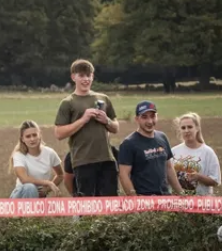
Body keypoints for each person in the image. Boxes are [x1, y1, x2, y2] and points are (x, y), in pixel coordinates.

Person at [54, 59, 120, 197]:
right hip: (83, 161)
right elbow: (59, 133)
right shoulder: (68, 102)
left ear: (93, 76)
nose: (86, 79)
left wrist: (106, 121)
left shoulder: (104, 98)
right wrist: (83, 120)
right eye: (82, 75)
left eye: (88, 75)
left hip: (107, 159)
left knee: (111, 202)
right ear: (73, 77)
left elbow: (116, 128)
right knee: (87, 204)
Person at [117, 100, 183, 196]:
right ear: (137, 119)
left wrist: (181, 194)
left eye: (152, 116)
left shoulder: (162, 137)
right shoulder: (128, 144)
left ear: (157, 116)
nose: (150, 121)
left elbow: (169, 168)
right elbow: (124, 175)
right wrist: (135, 200)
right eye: (144, 117)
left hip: (165, 197)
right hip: (144, 198)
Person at [9, 120, 64, 198]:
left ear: (40, 135)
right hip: (20, 196)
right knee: (30, 188)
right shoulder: (19, 155)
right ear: (22, 139)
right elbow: (24, 179)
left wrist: (47, 190)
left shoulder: (50, 153)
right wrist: (48, 183)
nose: (32, 139)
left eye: (34, 135)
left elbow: (60, 175)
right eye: (28, 136)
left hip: (39, 197)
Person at [171, 112, 221, 195]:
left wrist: (198, 177)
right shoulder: (173, 151)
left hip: (201, 201)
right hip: (177, 200)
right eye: (183, 128)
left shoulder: (207, 152)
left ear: (197, 128)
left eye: (190, 127)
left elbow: (216, 181)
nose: (186, 130)